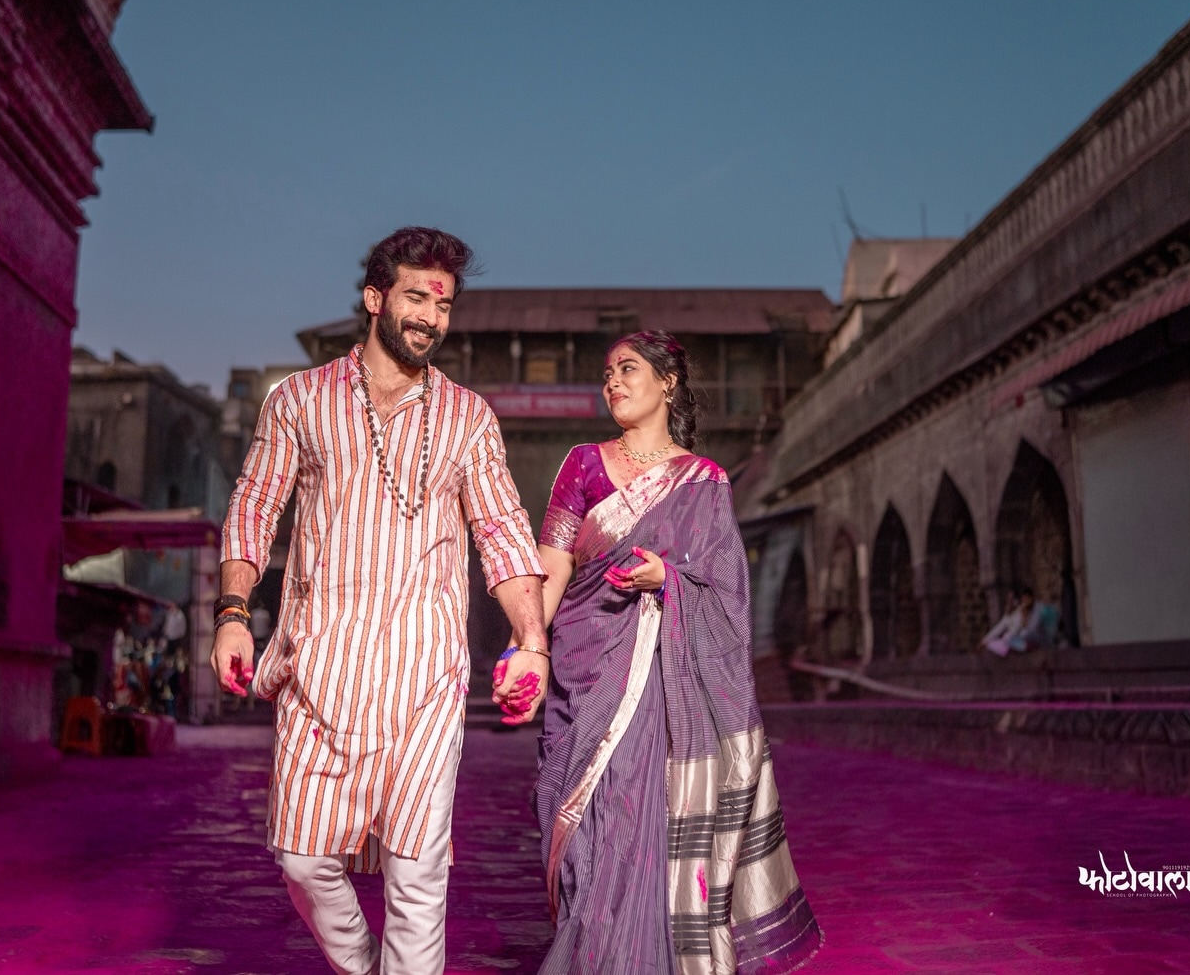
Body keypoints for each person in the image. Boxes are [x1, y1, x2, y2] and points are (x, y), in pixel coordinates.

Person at [211, 227, 550, 975]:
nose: (432, 315)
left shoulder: (468, 418)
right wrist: (233, 615)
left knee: (418, 875)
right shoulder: (299, 401)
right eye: (417, 296)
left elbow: (502, 530)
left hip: (423, 676)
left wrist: (531, 640)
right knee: (301, 860)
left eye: (444, 302)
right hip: (318, 667)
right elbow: (254, 506)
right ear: (375, 298)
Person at [497, 331, 822, 973]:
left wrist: (668, 581)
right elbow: (552, 568)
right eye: (607, 372)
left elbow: (728, 593)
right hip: (584, 677)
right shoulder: (582, 464)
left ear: (667, 382)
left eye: (628, 369)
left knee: (637, 834)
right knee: (578, 833)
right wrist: (525, 648)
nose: (612, 382)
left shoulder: (704, 481)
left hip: (662, 693)